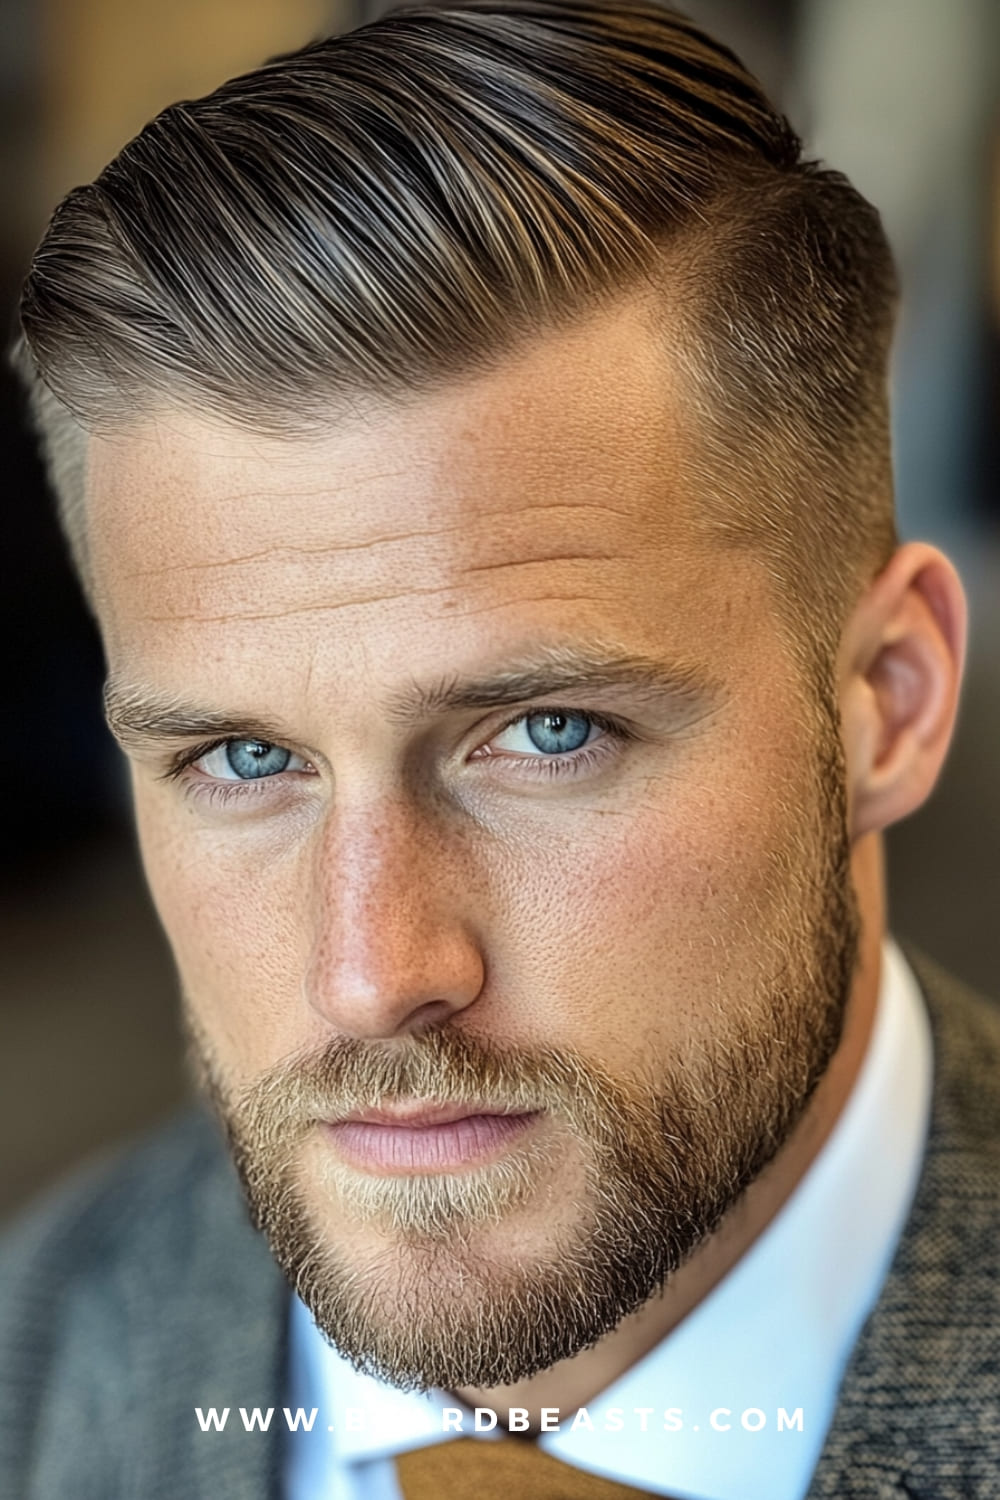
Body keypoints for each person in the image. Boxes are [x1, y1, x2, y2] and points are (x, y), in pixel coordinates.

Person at [2, 4, 997, 1497]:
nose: (373, 972)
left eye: (544, 734)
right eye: (243, 761)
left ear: (889, 699)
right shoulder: (33, 1357)